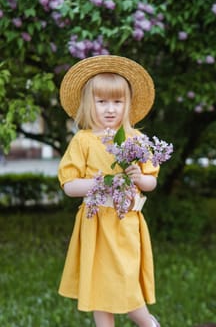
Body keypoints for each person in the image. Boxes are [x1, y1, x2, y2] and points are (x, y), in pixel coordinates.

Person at [58, 55, 160, 327]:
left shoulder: (136, 139)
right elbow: (69, 185)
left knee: (126, 286)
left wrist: (139, 178)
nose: (110, 109)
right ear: (89, 104)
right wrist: (99, 182)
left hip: (126, 224)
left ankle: (148, 323)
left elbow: (152, 182)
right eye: (101, 102)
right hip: (95, 224)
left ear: (128, 104)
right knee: (100, 290)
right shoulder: (83, 140)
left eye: (117, 101)